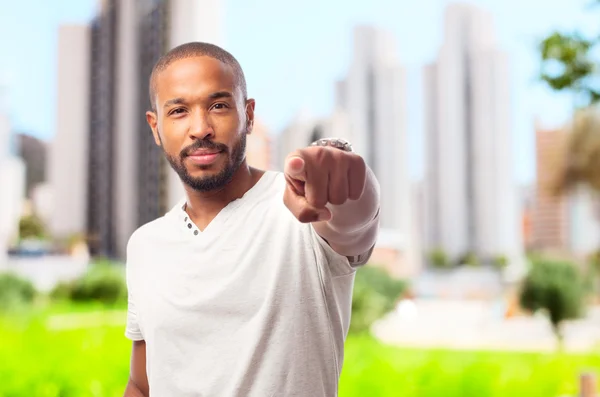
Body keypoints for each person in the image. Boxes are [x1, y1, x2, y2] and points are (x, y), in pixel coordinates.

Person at [123, 42, 381, 397]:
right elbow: (141, 384)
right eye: (179, 110)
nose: (200, 128)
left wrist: (342, 175)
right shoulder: (145, 245)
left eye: (218, 106)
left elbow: (354, 220)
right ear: (155, 127)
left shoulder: (301, 209)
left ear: (249, 115)